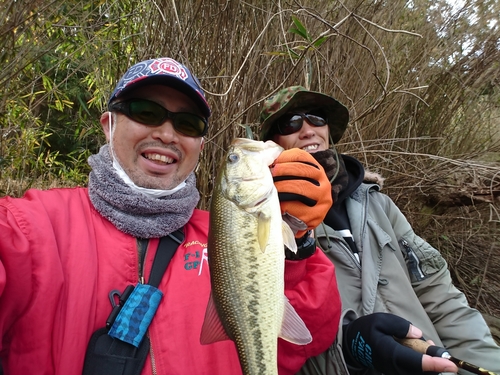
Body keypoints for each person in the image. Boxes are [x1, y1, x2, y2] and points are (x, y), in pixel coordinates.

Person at [0, 58, 342, 375]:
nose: (166, 134)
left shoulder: (221, 234)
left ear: (200, 147)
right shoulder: (29, 227)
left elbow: (299, 343)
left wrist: (299, 241)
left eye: (187, 123)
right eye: (146, 111)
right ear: (109, 125)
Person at [259, 86, 500, 375]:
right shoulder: (263, 220)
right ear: (272, 142)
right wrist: (350, 350)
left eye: (316, 118)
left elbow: (439, 295)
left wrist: (486, 363)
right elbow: (274, 336)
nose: (309, 129)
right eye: (291, 123)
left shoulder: (376, 203)